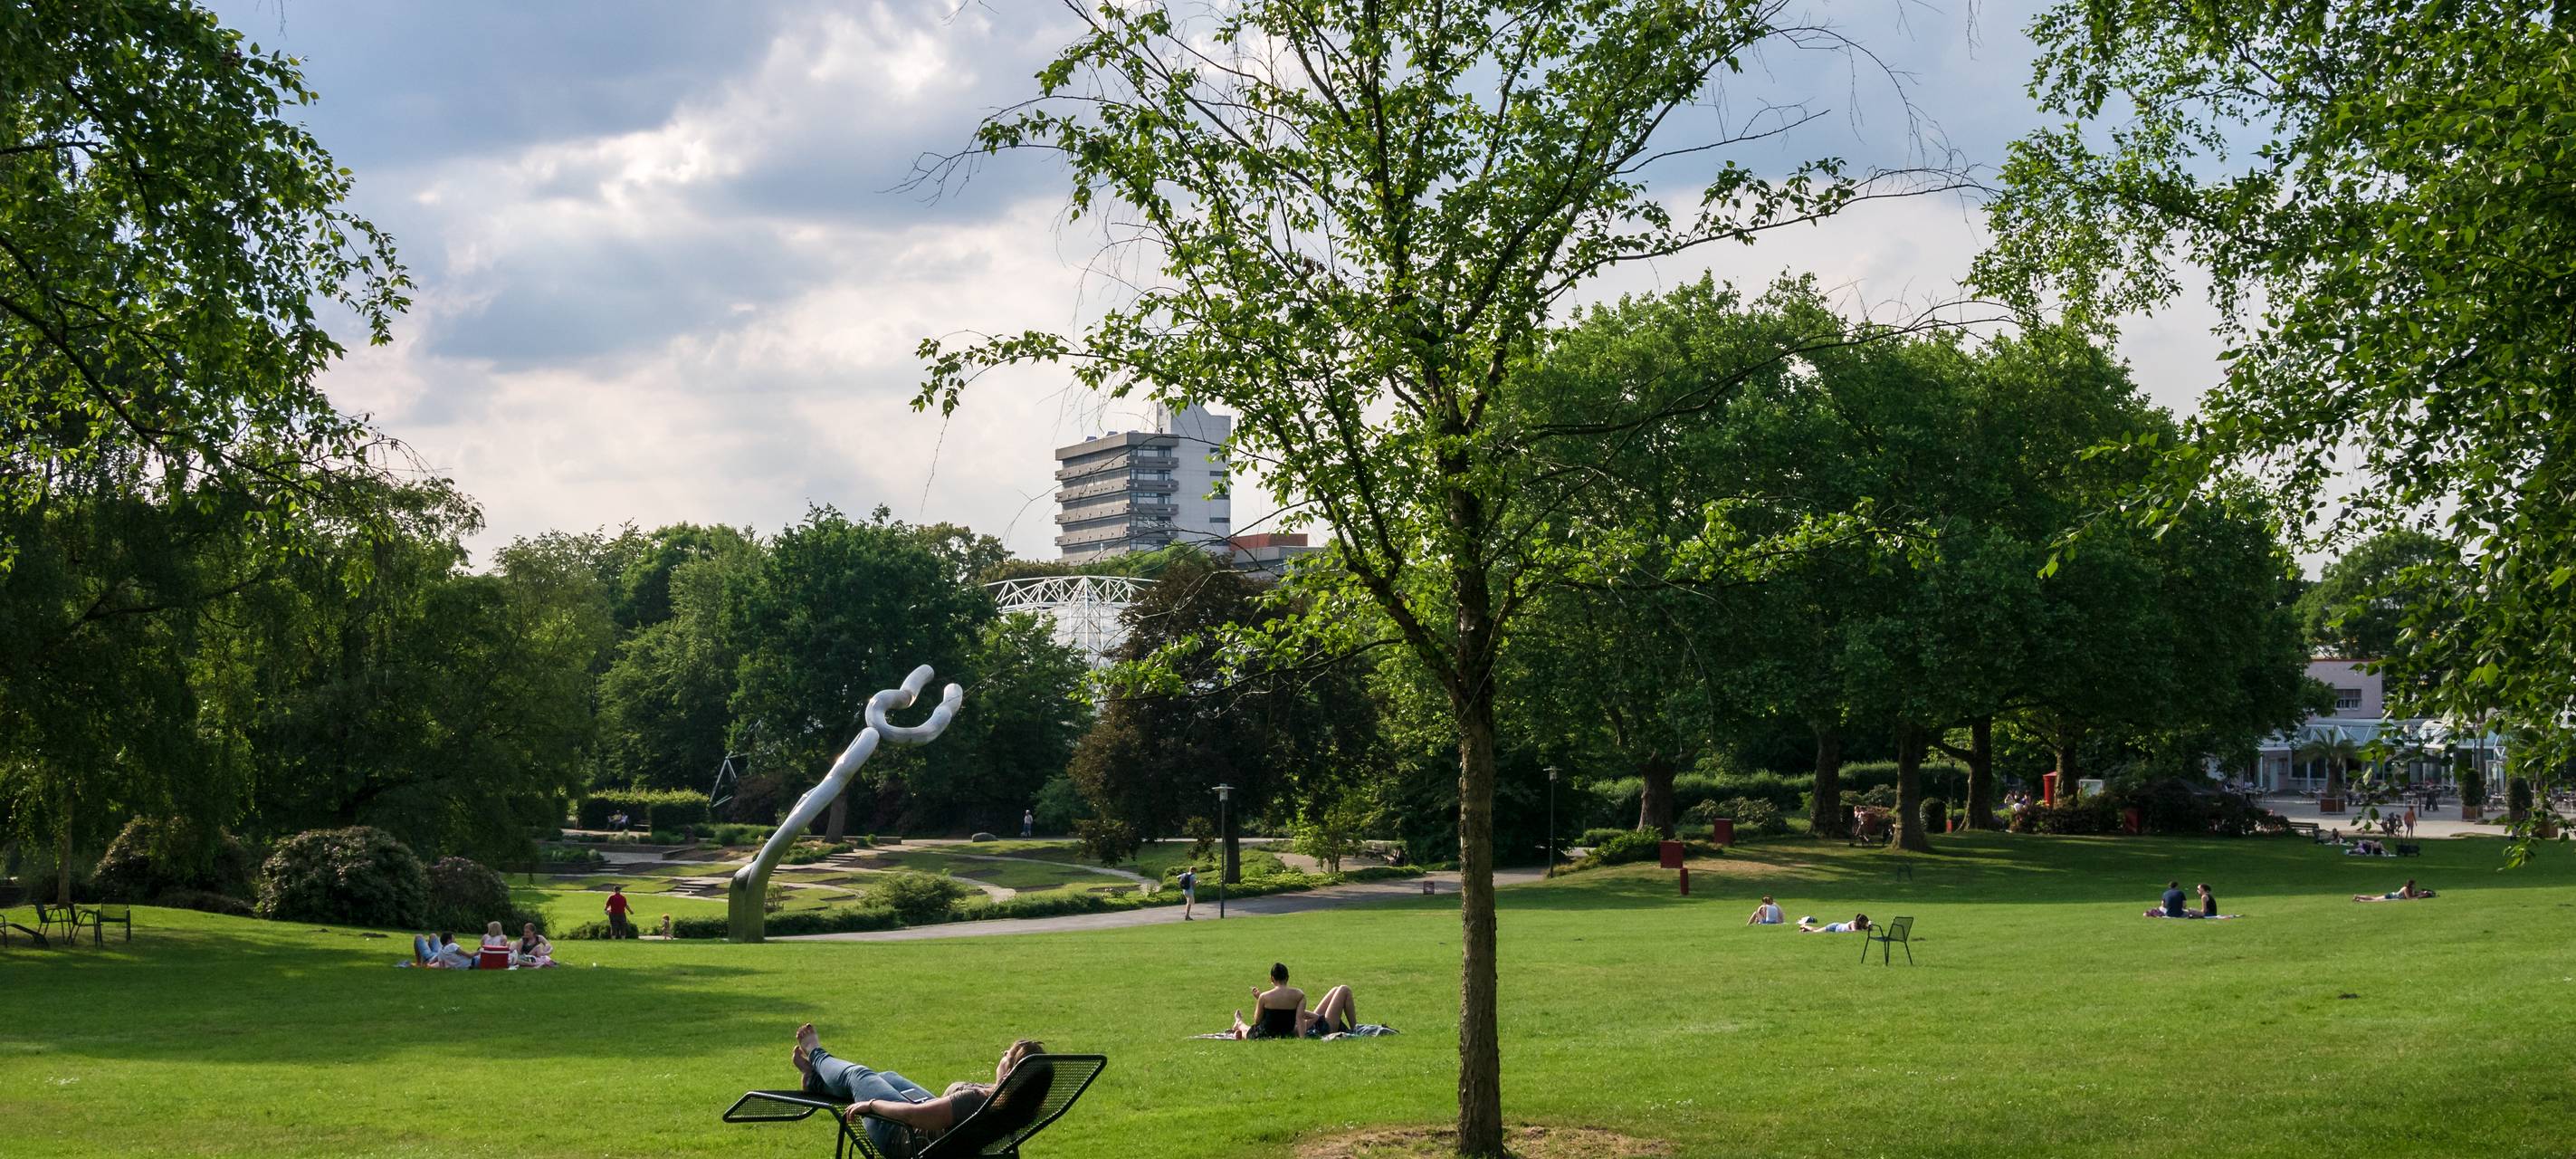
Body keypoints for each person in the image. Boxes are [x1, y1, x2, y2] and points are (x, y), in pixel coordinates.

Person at [791, 1023, 1041, 1158]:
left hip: (902, 1137)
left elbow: (912, 1115)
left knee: (858, 1075)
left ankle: (815, 1052)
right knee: (888, 1077)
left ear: (1009, 1073)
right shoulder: (1020, 1104)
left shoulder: (975, 1102)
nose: (1001, 1057)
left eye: (1005, 1056)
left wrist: (872, 1106)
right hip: (938, 1138)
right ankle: (814, 1082)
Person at [1227, 963, 1358, 1039]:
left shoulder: (1265, 997)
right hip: (1323, 1027)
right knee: (1343, 989)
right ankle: (1354, 1029)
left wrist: (1260, 1000)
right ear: (1288, 977)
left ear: (1272, 979)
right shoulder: (1298, 994)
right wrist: (1303, 1036)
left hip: (1312, 1025)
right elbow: (1300, 1018)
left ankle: (1238, 1023)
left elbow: (1258, 1021)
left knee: (1336, 989)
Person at [2353, 878, 2434, 902]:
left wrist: (2423, 893)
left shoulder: (2410, 889)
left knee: (2374, 899)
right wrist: (2418, 897)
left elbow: (2414, 894)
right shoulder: (2406, 888)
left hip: (2393, 896)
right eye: (2414, 884)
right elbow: (2408, 898)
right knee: (2374, 899)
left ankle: (2358, 899)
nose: (2414, 885)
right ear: (2411, 884)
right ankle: (2358, 897)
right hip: (2391, 896)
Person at [1798, 913, 1870, 934]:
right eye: (1865, 923)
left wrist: (1868, 928)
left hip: (1837, 926)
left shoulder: (1860, 926)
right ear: (1860, 922)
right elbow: (1854, 932)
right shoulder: (1854, 923)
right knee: (1816, 931)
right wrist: (1866, 931)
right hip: (1834, 927)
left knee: (1818, 929)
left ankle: (1805, 928)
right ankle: (1805, 926)